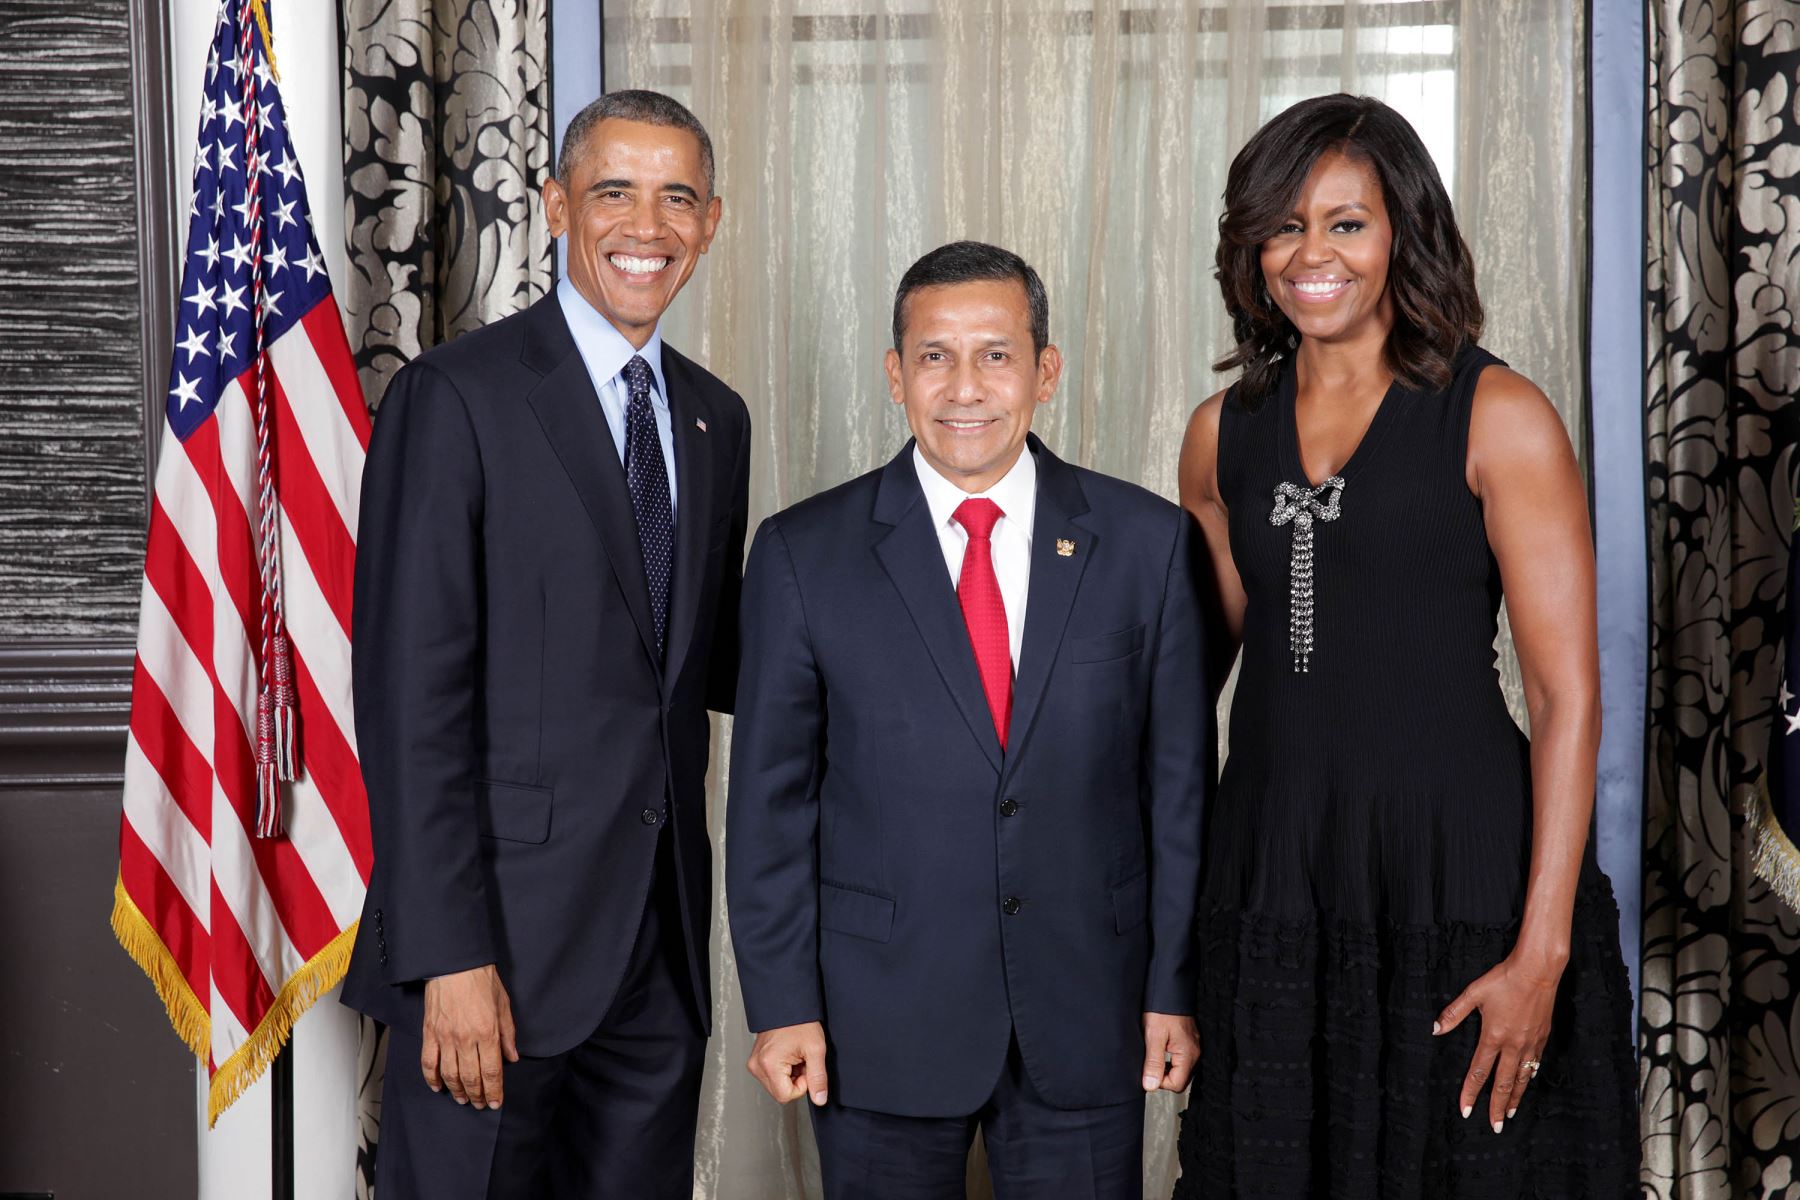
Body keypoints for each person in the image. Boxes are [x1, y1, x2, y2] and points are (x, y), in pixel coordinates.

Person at [1172, 94, 1637, 1198]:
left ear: (1403, 233)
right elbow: (1182, 681)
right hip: (1279, 878)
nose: (1310, 254)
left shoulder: (1499, 415)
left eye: (1346, 222)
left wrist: (1544, 951)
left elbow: (1568, 700)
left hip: (1459, 879)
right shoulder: (1219, 432)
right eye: (1283, 226)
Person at [727, 240, 1211, 1200]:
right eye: (934, 355)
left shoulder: (1147, 544)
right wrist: (783, 1007)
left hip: (1088, 1005)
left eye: (995, 353)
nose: (964, 386)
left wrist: (1173, 987)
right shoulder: (800, 554)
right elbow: (768, 810)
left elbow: (1179, 792)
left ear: (1045, 371)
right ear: (894, 375)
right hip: (875, 1021)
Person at [340, 90, 750, 1199]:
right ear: (559, 207)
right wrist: (446, 957)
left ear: (712, 222)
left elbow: (712, 665)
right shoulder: (454, 398)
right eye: (614, 192)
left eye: (677, 199)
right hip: (495, 959)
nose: (646, 226)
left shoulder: (716, 418)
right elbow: (407, 700)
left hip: (658, 959)